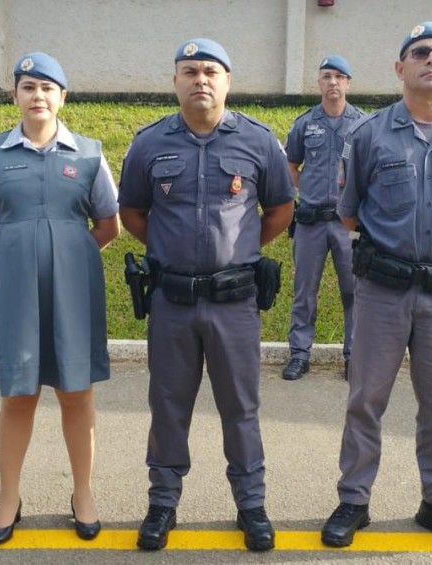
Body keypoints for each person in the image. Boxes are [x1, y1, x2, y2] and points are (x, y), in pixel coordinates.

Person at [321, 22, 432, 550]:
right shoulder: (369, 135)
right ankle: (354, 500)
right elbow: (349, 215)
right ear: (400, 68)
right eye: (420, 52)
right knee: (365, 400)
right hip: (382, 291)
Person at [118, 38, 295, 552]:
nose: (201, 79)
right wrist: (170, 250)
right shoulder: (149, 144)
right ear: (175, 80)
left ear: (227, 81)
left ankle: (251, 505)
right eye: (190, 70)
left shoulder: (259, 143)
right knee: (168, 405)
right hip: (171, 302)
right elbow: (132, 212)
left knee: (241, 406)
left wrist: (238, 250)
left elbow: (280, 210)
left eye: (210, 71)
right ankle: (163, 503)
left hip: (234, 302)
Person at [0, 51, 119, 545]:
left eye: (48, 88)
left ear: (62, 97)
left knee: (77, 393)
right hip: (14, 295)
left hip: (75, 292)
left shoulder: (88, 153)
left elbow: (107, 224)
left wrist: (68, 254)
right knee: (18, 394)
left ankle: (83, 494)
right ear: (15, 96)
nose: (38, 96)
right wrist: (10, 254)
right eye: (29, 87)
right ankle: (9, 498)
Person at [282, 54, 363, 381]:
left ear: (348, 83)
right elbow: (291, 167)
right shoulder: (304, 124)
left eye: (339, 76)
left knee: (354, 291)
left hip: (348, 224)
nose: (333, 82)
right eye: (327, 76)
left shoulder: (362, 124)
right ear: (319, 82)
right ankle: (299, 354)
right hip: (311, 222)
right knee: (305, 290)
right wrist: (312, 190)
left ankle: (355, 356)